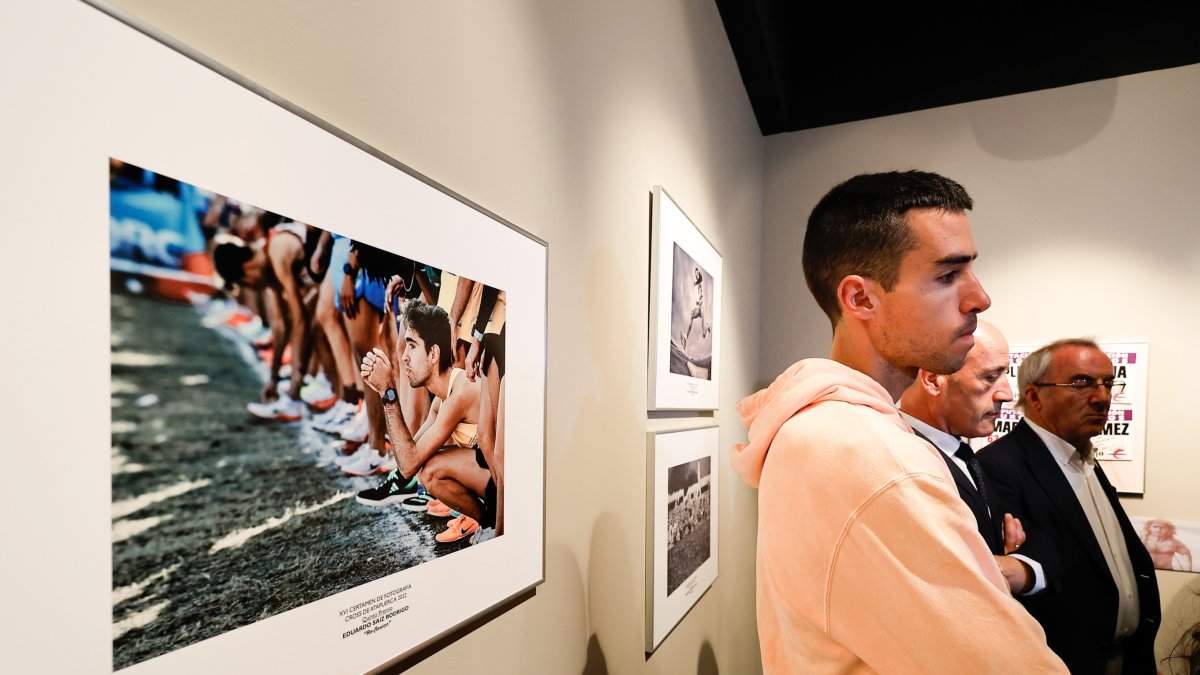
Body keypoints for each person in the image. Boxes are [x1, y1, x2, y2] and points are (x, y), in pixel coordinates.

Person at [731, 171, 1065, 673]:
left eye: (971, 271)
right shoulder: (868, 455)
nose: (979, 298)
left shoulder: (816, 428)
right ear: (861, 299)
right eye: (948, 276)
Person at [979, 338, 1160, 674]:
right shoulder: (999, 467)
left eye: (1108, 383)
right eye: (1081, 383)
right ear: (1034, 396)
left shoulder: (1084, 459)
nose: (1102, 397)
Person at [898, 320, 1051, 595]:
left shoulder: (967, 456)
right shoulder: (899, 461)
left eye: (1005, 375)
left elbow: (1043, 546)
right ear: (933, 380)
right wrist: (999, 567)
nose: (1006, 393)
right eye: (990, 377)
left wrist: (1014, 567)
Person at [356, 299, 497, 543]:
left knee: (431, 469)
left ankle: (493, 525)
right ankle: (488, 524)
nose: (404, 357)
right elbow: (408, 461)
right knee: (428, 470)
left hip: (511, 484)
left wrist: (389, 392)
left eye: (412, 346)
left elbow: (410, 464)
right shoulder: (439, 401)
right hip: (494, 482)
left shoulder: (460, 392)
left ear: (433, 354)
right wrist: (383, 392)